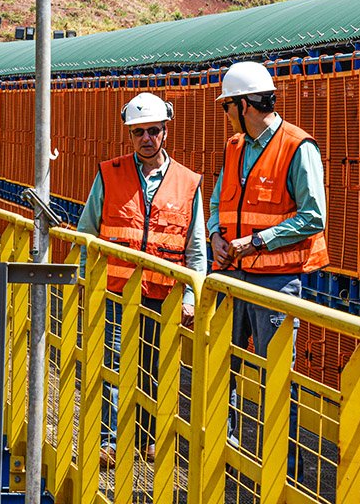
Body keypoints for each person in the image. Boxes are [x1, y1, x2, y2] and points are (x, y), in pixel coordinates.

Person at [208, 60, 328, 476]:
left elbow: (315, 216)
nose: (224, 116)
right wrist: (215, 236)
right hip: (232, 274)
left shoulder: (299, 148)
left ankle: (282, 468)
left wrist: (258, 241)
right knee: (225, 367)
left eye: (226, 107)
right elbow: (217, 200)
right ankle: (226, 454)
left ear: (244, 105)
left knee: (277, 377)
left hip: (277, 281)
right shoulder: (236, 146)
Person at [77, 92, 206, 469]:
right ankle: (110, 442)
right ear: (129, 136)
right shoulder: (109, 174)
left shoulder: (188, 182)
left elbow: (196, 251)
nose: (146, 139)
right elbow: (86, 235)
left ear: (165, 132)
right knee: (113, 366)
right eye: (138, 133)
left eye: (153, 131)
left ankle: (149, 439)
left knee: (155, 368)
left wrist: (191, 299)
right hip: (116, 293)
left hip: (163, 298)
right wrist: (87, 284)